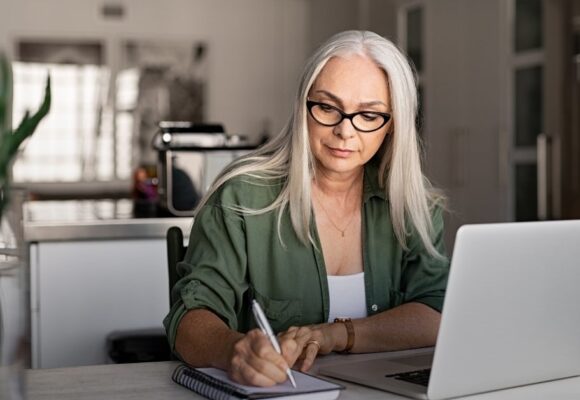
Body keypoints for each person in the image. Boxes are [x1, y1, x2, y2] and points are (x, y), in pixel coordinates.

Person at [163, 30, 449, 387]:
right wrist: (232, 349)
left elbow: (436, 312)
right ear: (303, 107)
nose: (345, 131)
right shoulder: (240, 197)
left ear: (392, 125)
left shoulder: (413, 204)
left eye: (369, 115)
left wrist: (334, 335)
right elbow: (189, 319)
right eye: (328, 107)